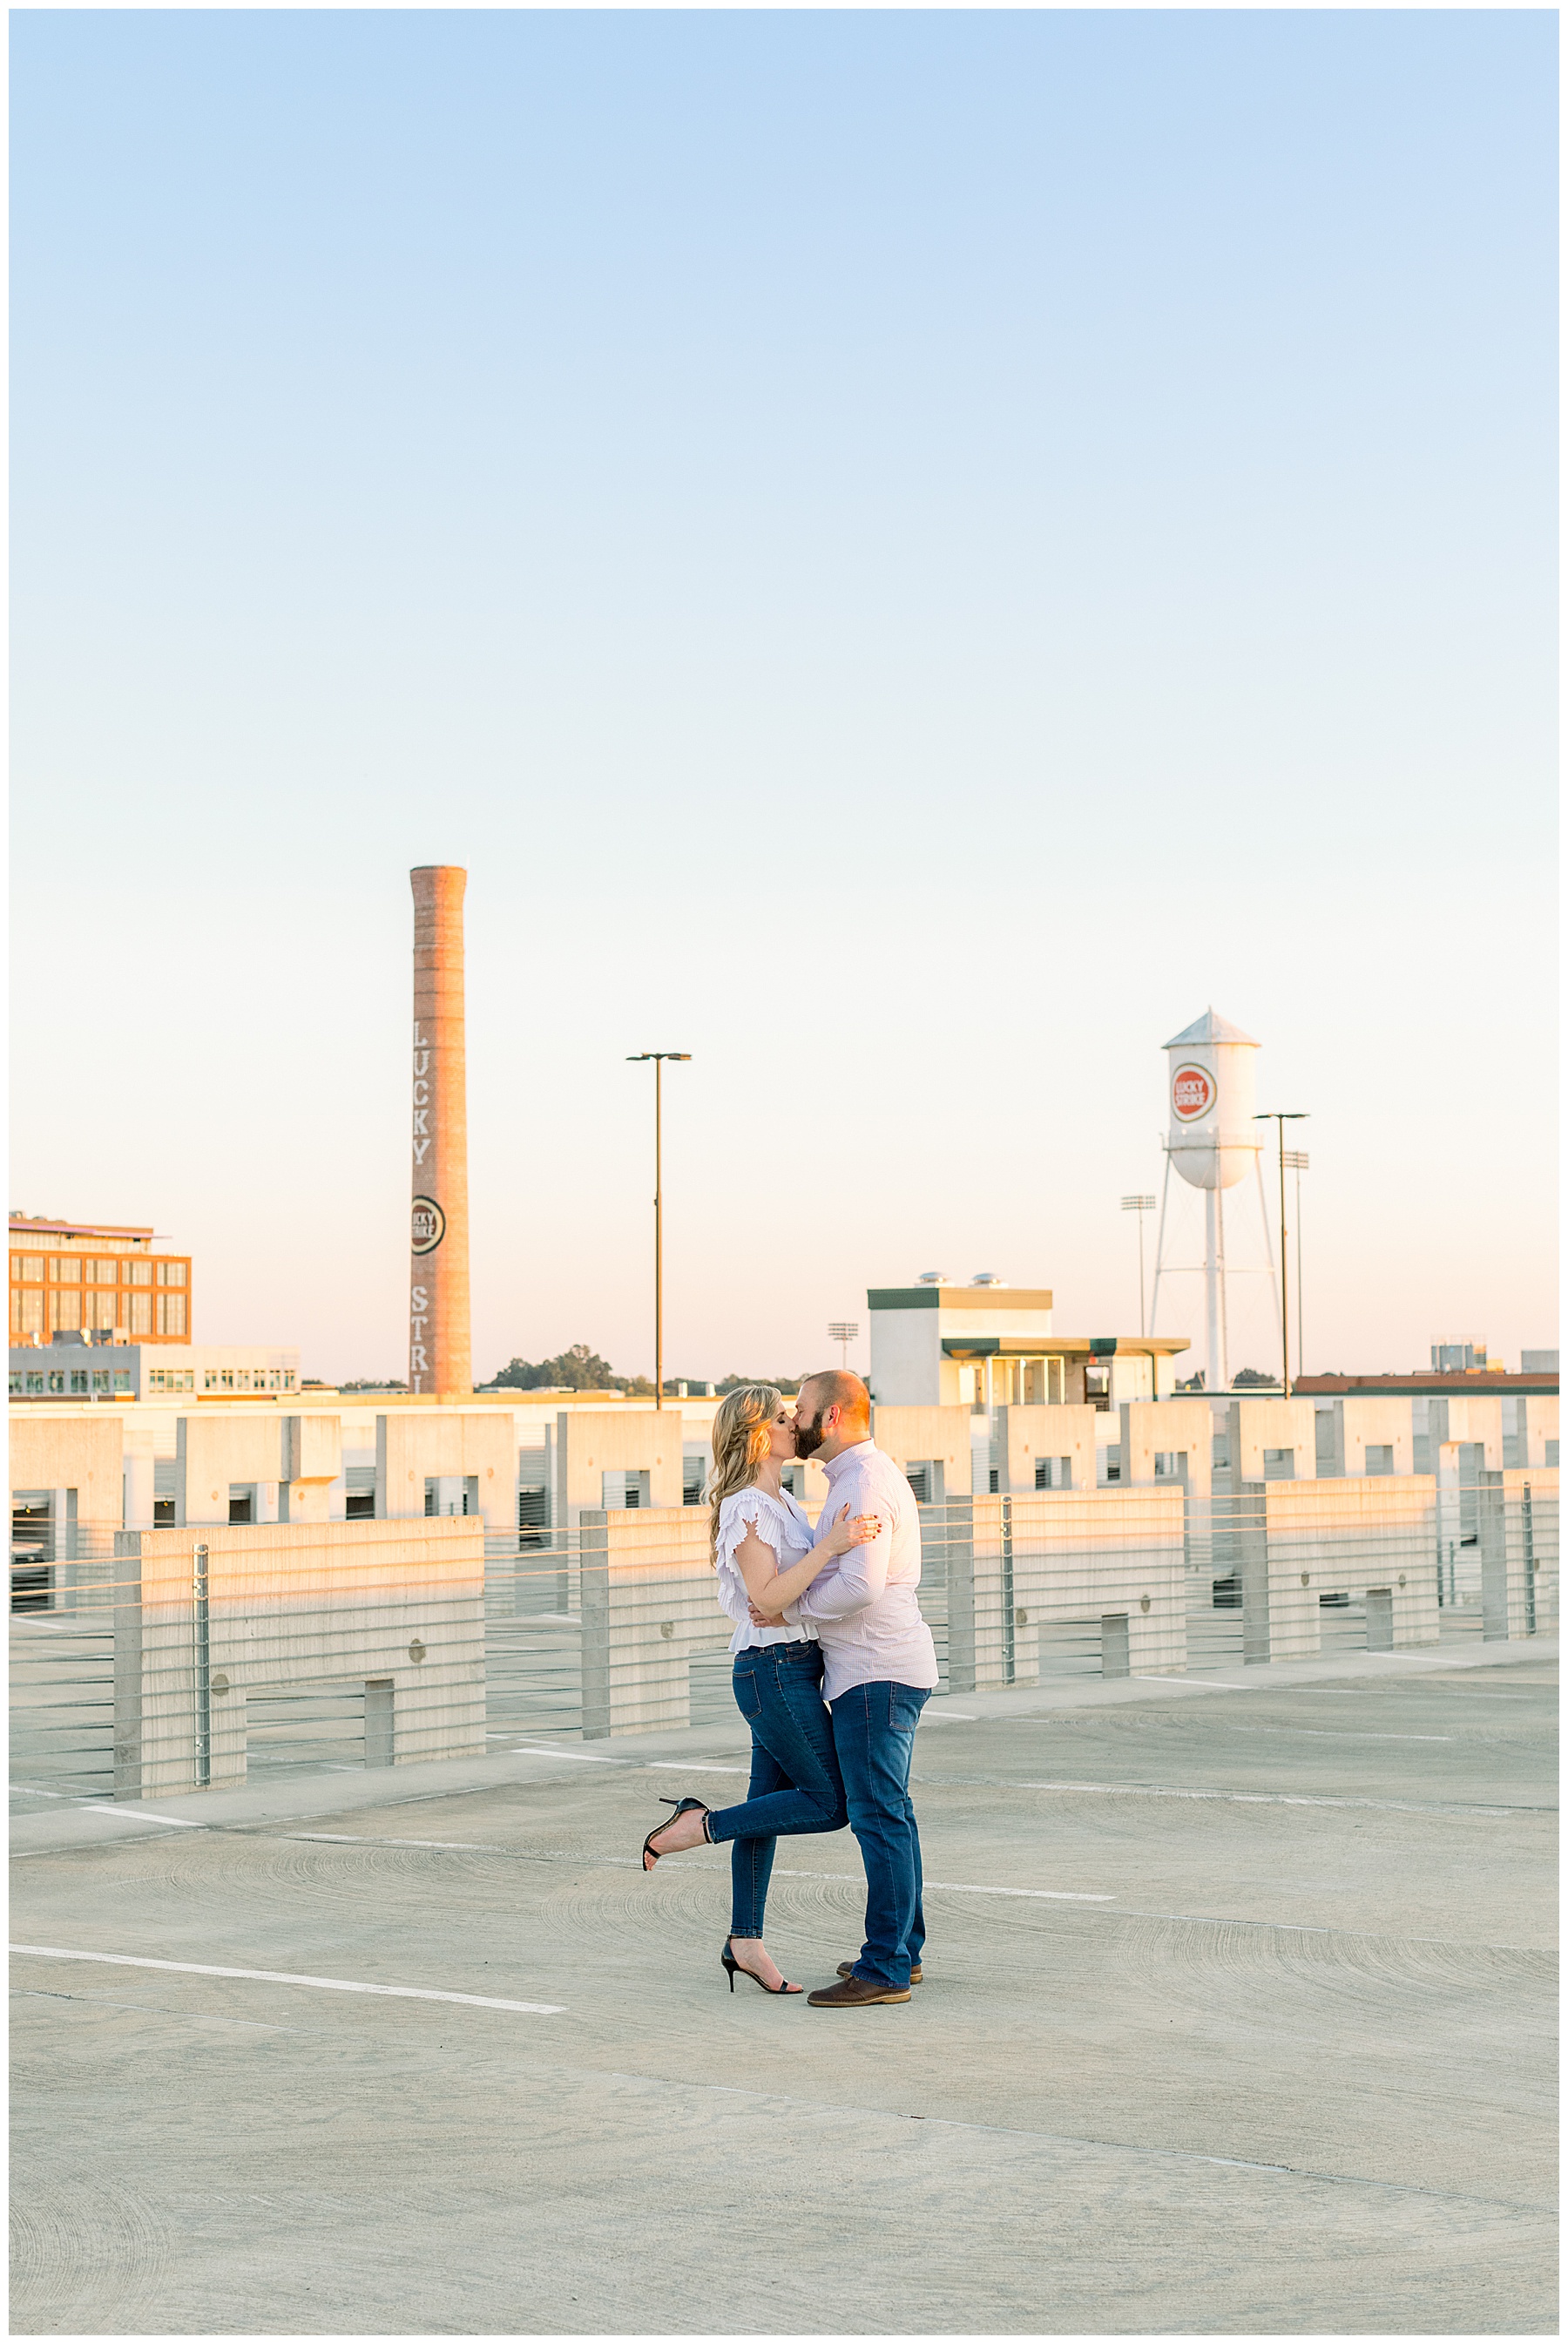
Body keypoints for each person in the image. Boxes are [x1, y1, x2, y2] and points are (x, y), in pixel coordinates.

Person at [639, 1383, 879, 1996]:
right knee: (830, 1803)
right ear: (757, 1436)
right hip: (771, 1672)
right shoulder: (746, 1506)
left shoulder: (784, 1501)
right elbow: (767, 1598)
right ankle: (701, 1823)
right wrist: (832, 1545)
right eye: (781, 1417)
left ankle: (744, 1941)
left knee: (767, 1813)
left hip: (791, 1666)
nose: (793, 1423)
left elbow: (789, 1592)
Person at [751, 1369, 937, 2008]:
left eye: (800, 1409)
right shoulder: (862, 1476)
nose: (793, 1418)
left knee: (878, 1818)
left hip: (875, 1673)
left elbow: (862, 1585)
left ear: (829, 1418)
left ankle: (883, 1967)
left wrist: (790, 1613)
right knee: (892, 1815)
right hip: (882, 1668)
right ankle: (902, 1952)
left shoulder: (861, 1482)